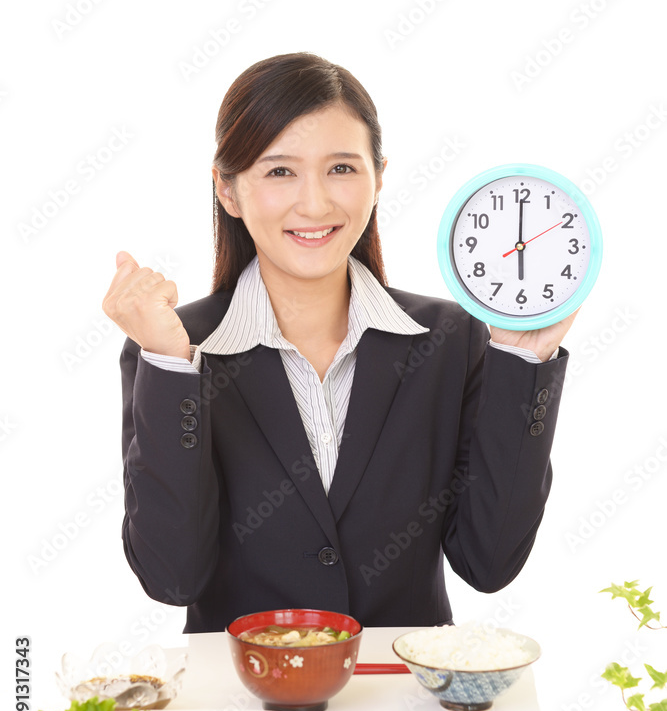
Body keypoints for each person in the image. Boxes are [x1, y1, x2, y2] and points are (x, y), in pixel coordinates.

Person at [103, 51, 575, 633]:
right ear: (227, 190)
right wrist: (171, 367)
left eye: (342, 168)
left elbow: (489, 562)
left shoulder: (453, 340)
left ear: (379, 178)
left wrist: (523, 359)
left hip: (405, 685)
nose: (315, 203)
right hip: (241, 689)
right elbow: (172, 578)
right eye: (280, 171)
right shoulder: (176, 349)